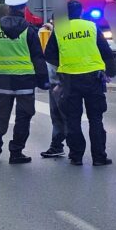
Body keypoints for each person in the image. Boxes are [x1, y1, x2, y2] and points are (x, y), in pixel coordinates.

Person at [43, 0, 116, 167]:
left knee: (73, 120)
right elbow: (106, 52)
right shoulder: (91, 27)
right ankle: (99, 157)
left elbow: (49, 55)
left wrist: (64, 64)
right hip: (93, 79)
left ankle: (76, 156)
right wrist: (109, 73)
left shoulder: (59, 30)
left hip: (70, 80)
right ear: (81, 12)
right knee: (96, 119)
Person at [0, 0, 49, 164]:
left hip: (3, 80)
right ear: (23, 8)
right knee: (23, 117)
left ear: (8, 8)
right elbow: (38, 58)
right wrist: (43, 81)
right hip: (25, 81)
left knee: (1, 116)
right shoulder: (29, 30)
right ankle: (16, 152)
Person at [38, 21, 68, 159]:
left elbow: (59, 58)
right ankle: (57, 145)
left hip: (61, 83)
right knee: (57, 117)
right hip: (56, 82)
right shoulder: (57, 33)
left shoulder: (62, 35)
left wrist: (61, 83)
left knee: (64, 116)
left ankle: (73, 148)